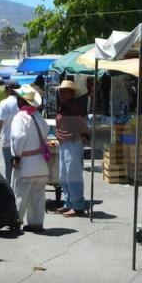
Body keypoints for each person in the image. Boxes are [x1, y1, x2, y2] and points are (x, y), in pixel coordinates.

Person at [10, 84, 50, 232]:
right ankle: (36, 222)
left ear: (21, 101)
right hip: (40, 162)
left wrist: (16, 156)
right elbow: (46, 130)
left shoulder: (20, 117)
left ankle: (16, 220)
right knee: (38, 195)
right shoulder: (37, 115)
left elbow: (17, 137)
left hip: (26, 162)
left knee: (20, 193)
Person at [54, 80, 89, 217]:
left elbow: (82, 125)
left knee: (72, 174)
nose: (62, 93)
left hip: (73, 143)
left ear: (71, 93)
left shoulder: (74, 108)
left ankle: (78, 205)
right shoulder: (63, 107)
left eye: (65, 91)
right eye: (61, 91)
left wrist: (84, 135)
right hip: (65, 143)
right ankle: (68, 202)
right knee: (64, 174)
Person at [0, 81, 20, 184]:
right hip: (21, 141)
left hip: (8, 141)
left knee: (9, 169)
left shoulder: (4, 103)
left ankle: (11, 193)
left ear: (8, 90)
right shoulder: (22, 102)